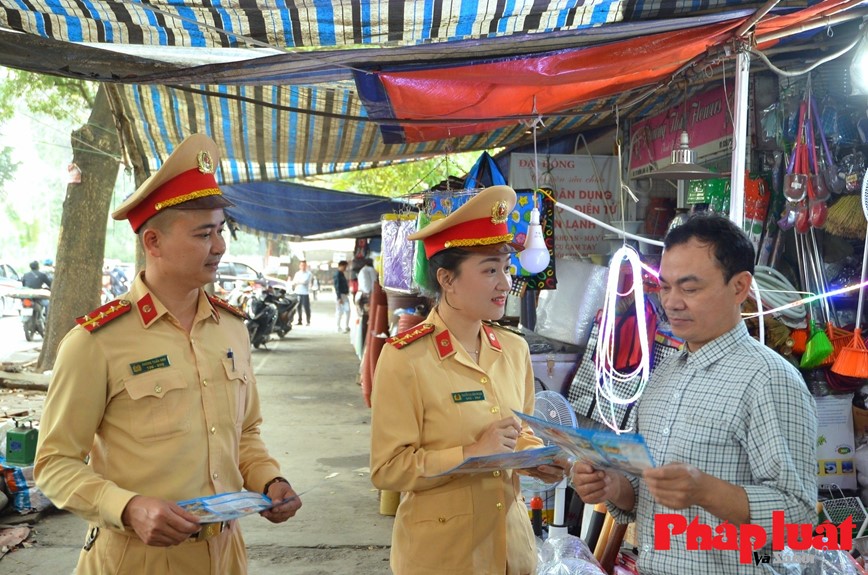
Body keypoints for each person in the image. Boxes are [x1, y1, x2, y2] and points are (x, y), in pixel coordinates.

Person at [34, 133, 302, 575]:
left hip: (226, 553)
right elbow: (54, 462)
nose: (220, 247)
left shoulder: (231, 329)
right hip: (136, 559)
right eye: (203, 234)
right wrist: (127, 507)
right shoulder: (96, 342)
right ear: (153, 242)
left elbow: (245, 432)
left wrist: (269, 480)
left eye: (220, 231)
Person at [570, 214, 817, 575]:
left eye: (690, 288)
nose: (672, 302)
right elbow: (645, 496)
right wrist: (612, 485)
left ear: (739, 287)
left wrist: (706, 491)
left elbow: (799, 519)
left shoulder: (769, 380)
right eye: (665, 287)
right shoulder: (663, 375)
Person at [370, 185, 564, 575]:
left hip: (511, 551)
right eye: (490, 269)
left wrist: (538, 459)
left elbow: (518, 432)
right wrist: (471, 453)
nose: (505, 284)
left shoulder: (513, 350)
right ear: (447, 279)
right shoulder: (405, 357)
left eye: (506, 269)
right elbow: (388, 469)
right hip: (443, 558)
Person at [291, 260, 313, 325]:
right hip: (297, 292)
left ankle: (308, 321)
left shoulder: (309, 274)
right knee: (298, 307)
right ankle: (299, 320)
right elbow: (294, 282)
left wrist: (298, 282)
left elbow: (305, 282)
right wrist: (298, 282)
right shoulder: (297, 273)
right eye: (302, 265)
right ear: (299, 266)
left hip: (305, 293)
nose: (303, 267)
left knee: (306, 307)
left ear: (306, 266)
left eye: (304, 265)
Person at [333, 260, 350, 333]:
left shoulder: (341, 274)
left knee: (347, 311)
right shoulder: (338, 275)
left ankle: (345, 326)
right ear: (341, 266)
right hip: (340, 295)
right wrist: (339, 297)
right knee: (340, 311)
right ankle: (338, 327)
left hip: (343, 295)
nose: (346, 268)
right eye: (345, 266)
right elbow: (337, 286)